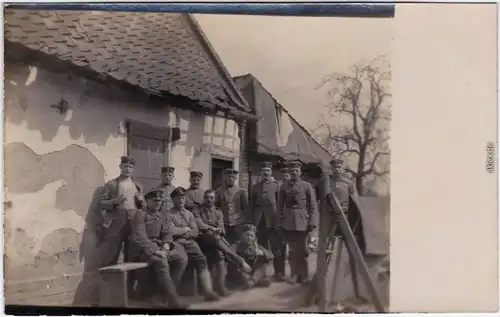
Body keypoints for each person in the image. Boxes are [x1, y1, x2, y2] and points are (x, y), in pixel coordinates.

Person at [127, 189, 188, 309]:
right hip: (141, 250)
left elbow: (166, 233)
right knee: (162, 262)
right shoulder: (140, 214)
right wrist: (157, 251)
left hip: (158, 248)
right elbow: (140, 237)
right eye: (155, 201)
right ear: (147, 201)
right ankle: (174, 301)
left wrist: (165, 247)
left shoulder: (161, 215)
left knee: (181, 258)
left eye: (160, 201)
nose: (158, 203)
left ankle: (166, 294)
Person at [193, 189, 252, 297]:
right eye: (207, 197)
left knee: (219, 254)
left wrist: (219, 230)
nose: (209, 200)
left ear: (215, 199)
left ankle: (220, 288)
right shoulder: (198, 210)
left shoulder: (218, 211)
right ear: (204, 198)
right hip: (201, 240)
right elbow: (199, 225)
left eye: (211, 198)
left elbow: (221, 226)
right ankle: (238, 260)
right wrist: (213, 228)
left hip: (216, 241)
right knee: (212, 236)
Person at [165, 187, 220, 301]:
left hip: (190, 242)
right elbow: (170, 231)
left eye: (183, 197)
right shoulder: (168, 214)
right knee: (181, 260)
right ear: (173, 200)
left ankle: (207, 291)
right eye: (178, 198)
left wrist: (182, 231)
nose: (181, 200)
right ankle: (171, 295)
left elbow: (195, 232)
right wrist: (185, 229)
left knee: (202, 259)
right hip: (176, 243)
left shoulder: (189, 214)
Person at [96, 155, 145, 267]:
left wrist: (141, 201)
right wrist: (115, 201)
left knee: (132, 252)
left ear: (133, 169)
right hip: (117, 220)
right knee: (112, 252)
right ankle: (109, 281)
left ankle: (129, 282)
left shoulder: (137, 186)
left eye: (130, 167)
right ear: (120, 167)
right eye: (125, 166)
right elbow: (101, 203)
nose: (127, 169)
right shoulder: (112, 184)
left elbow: (143, 206)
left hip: (133, 219)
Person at [277, 160, 318, 284]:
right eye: (292, 171)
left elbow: (313, 206)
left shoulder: (306, 186)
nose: (294, 172)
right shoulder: (284, 186)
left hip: (303, 222)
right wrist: (280, 222)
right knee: (292, 251)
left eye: (296, 171)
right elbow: (279, 206)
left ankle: (304, 276)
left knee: (304, 250)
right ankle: (294, 275)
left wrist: (312, 221)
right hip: (289, 222)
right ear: (289, 172)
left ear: (300, 172)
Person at [251, 161, 285, 282]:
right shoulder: (255, 186)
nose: (266, 173)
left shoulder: (276, 185)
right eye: (264, 170)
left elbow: (281, 205)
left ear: (271, 172)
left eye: (268, 171)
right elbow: (252, 204)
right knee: (262, 249)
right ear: (260, 172)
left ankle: (279, 272)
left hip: (273, 220)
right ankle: (262, 274)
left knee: (276, 248)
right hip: (259, 221)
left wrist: (280, 221)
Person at [215, 169, 249, 244]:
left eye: (233, 177)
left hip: (238, 221)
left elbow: (245, 208)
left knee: (239, 242)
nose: (231, 179)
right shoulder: (219, 191)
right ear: (226, 177)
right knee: (225, 242)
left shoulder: (241, 191)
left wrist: (246, 221)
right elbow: (216, 207)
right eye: (229, 177)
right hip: (224, 222)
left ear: (236, 178)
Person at [234, 224, 274, 289]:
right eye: (247, 235)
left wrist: (263, 253)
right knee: (243, 275)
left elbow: (271, 256)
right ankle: (257, 282)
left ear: (254, 238)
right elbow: (231, 255)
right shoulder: (237, 245)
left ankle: (252, 282)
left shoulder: (256, 246)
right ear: (242, 235)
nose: (249, 237)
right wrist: (242, 262)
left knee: (262, 266)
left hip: (254, 272)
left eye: (251, 236)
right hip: (243, 271)